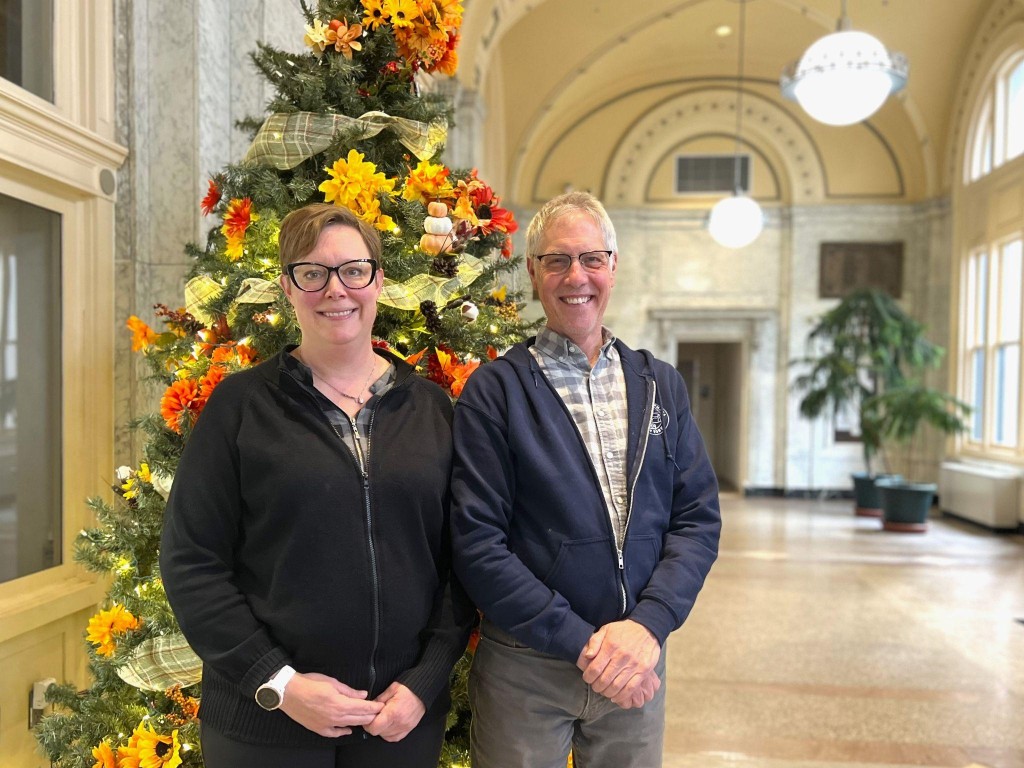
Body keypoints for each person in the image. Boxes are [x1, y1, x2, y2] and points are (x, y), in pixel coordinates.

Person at [160, 203, 472, 768]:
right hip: (265, 726)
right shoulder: (239, 406)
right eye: (313, 273)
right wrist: (278, 683)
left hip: (396, 721)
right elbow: (192, 563)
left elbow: (463, 559)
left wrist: (425, 681)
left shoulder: (431, 407)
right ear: (287, 286)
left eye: (353, 270)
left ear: (378, 280)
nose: (336, 290)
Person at [450, 190, 721, 768]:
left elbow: (696, 519)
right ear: (532, 272)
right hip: (527, 666)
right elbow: (476, 543)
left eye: (592, 259)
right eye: (557, 260)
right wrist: (588, 645)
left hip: (638, 659)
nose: (577, 276)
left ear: (613, 268)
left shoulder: (660, 386)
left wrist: (647, 628)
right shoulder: (495, 392)